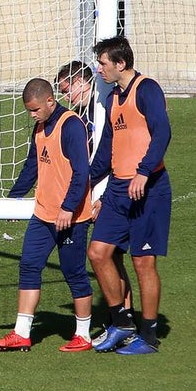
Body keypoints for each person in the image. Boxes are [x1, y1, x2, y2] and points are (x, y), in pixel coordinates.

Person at [0, 78, 94, 353]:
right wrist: (13, 199)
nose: (32, 114)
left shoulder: (71, 125)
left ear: (50, 101)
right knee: (29, 266)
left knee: (74, 273)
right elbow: (32, 165)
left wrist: (69, 208)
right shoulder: (40, 127)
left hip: (71, 217)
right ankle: (21, 333)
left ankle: (83, 334)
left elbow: (82, 172)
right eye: (29, 110)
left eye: (35, 109)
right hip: (43, 214)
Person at [87, 35, 172, 355]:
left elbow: (162, 131)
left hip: (149, 188)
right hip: (119, 189)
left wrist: (143, 170)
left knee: (142, 263)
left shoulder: (147, 89)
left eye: (103, 63)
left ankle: (148, 337)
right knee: (98, 253)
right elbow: (107, 148)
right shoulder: (112, 98)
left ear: (121, 63)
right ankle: (122, 322)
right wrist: (85, 182)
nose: (99, 69)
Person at [57, 58, 135, 311]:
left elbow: (117, 154)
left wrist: (104, 194)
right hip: (95, 188)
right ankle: (123, 319)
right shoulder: (80, 113)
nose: (66, 98)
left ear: (81, 82)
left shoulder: (103, 105)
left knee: (109, 255)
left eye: (67, 90)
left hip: (113, 190)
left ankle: (125, 319)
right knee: (109, 257)